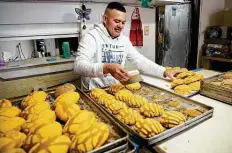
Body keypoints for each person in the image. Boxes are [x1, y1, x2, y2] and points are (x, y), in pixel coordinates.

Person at [74, 2, 183, 90]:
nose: (120, 26)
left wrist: (163, 71)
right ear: (105, 19)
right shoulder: (91, 37)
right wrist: (106, 68)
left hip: (115, 89)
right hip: (93, 91)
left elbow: (140, 61)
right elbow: (78, 66)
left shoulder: (124, 40)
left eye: (123, 22)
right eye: (116, 21)